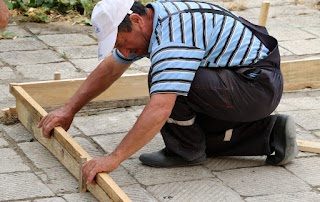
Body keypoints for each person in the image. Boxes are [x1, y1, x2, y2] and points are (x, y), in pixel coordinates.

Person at [38, 0, 299, 185]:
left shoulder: (172, 36)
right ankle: (270, 133)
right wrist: (68, 109)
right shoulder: (156, 16)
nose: (126, 53)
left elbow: (161, 107)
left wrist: (113, 158)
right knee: (177, 94)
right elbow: (110, 68)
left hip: (256, 86)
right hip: (245, 81)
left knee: (166, 81)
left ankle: (186, 151)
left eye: (122, 44)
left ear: (136, 20)